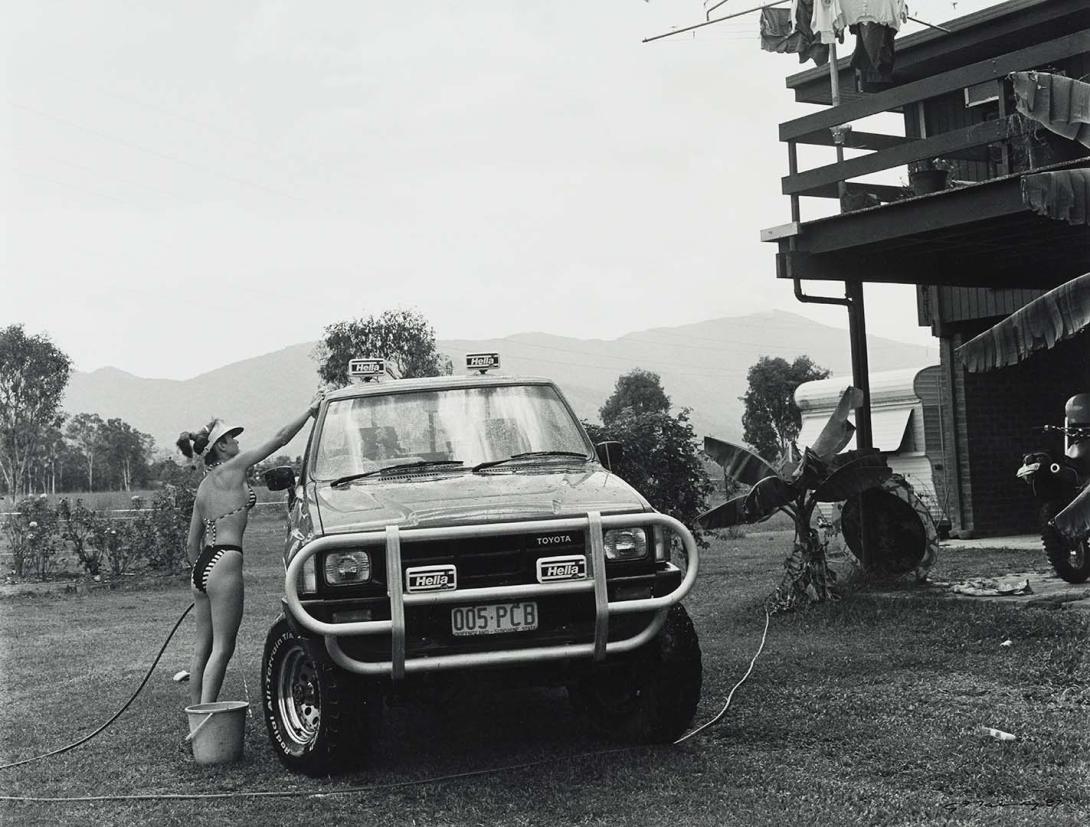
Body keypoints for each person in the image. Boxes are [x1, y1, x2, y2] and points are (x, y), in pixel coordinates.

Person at [176, 391, 324, 705]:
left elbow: (191, 543)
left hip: (203, 565)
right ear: (221, 447)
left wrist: (202, 578)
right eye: (232, 438)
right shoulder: (234, 467)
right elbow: (281, 438)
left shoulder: (203, 487)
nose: (238, 443)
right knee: (223, 648)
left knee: (202, 644)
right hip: (226, 560)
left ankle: (195, 714)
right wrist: (309, 409)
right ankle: (207, 719)